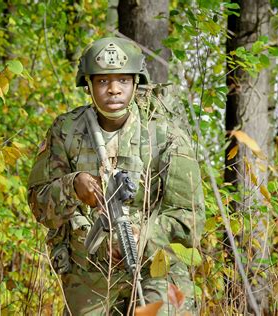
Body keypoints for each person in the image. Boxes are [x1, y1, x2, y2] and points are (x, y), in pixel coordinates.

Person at [27, 37, 205, 315]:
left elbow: (190, 218)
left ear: (136, 83)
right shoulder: (66, 130)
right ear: (88, 85)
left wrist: (143, 235)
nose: (113, 90)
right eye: (102, 81)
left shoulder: (166, 135)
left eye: (123, 80)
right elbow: (39, 206)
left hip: (154, 266)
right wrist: (72, 186)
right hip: (90, 270)